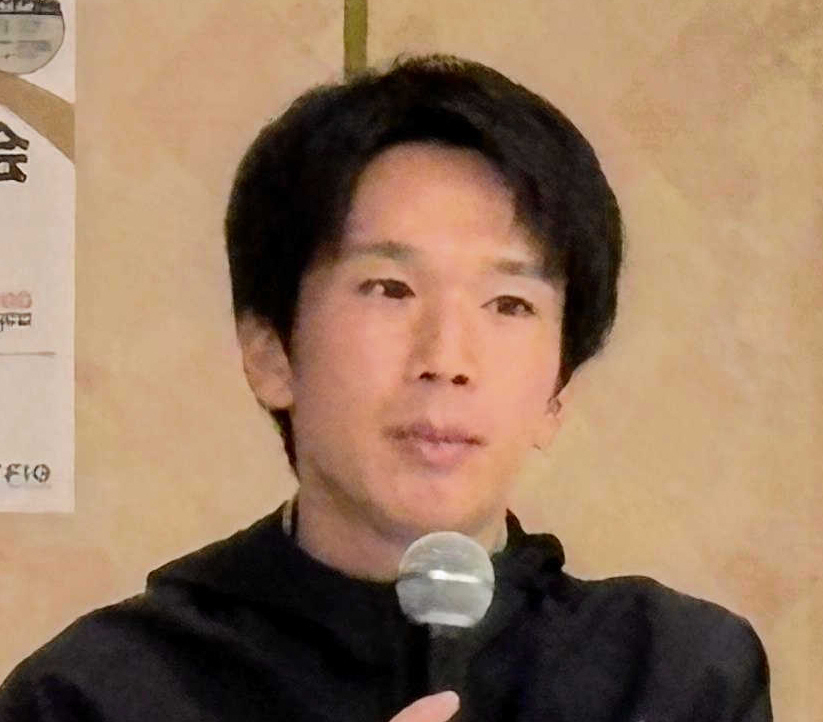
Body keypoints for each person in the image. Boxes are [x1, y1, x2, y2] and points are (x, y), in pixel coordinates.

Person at [0, 55, 771, 721]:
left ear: (556, 394)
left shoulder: (673, 676)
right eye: (389, 289)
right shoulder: (98, 694)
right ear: (271, 354)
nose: (447, 358)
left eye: (509, 304)